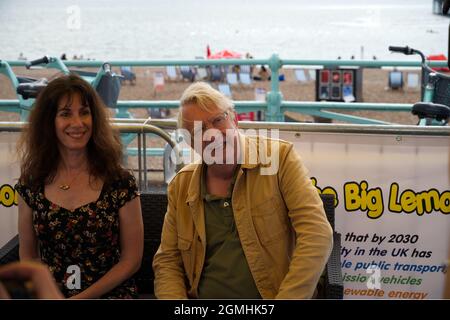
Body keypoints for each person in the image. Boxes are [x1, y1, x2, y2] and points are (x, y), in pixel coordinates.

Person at [153, 82, 333, 299]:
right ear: (191, 143)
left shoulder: (279, 158)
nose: (212, 135)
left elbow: (317, 235)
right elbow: (168, 261)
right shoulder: (181, 186)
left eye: (218, 120)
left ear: (234, 119)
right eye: (199, 130)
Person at [15, 74, 144, 299]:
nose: (78, 123)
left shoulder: (120, 182)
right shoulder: (31, 183)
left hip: (110, 294)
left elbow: (131, 260)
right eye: (66, 114)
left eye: (84, 112)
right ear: (49, 121)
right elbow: (28, 256)